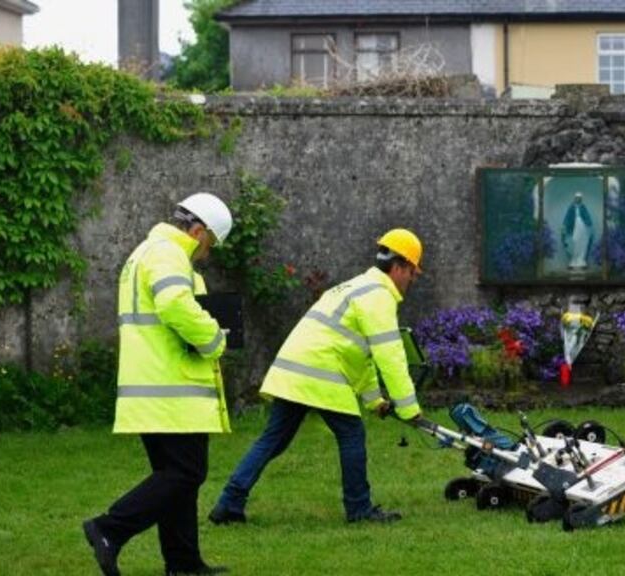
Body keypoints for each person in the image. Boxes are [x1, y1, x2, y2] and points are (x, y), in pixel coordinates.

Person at [208, 228, 425, 526]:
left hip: (293, 370)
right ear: (400, 266)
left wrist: (375, 401)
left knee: (272, 440)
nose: (412, 281)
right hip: (321, 372)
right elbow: (390, 356)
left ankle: (228, 504)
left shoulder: (354, 287)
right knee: (351, 434)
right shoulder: (378, 297)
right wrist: (410, 408)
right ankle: (359, 510)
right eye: (413, 273)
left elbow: (359, 356)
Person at [82, 193, 234, 576]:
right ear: (198, 232)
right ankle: (108, 529)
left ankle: (182, 564)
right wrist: (215, 338)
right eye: (210, 244)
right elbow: (173, 305)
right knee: (186, 474)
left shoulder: (145, 253)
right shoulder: (167, 254)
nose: (207, 254)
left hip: (154, 390)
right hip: (173, 389)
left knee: (178, 481)